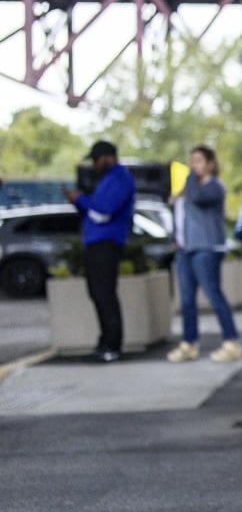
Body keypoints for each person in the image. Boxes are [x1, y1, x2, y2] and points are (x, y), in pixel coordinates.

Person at [167, 145, 242, 363]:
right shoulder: (188, 189)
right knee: (187, 300)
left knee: (214, 295)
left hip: (206, 248)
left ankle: (232, 341)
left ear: (210, 163)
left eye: (199, 160)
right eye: (192, 161)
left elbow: (199, 198)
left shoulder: (213, 187)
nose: (194, 165)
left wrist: (190, 178)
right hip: (185, 249)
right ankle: (189, 343)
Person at [63, 140, 135, 363]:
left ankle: (112, 346)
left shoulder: (119, 178)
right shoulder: (108, 179)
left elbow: (102, 213)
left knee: (105, 294)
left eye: (96, 159)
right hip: (96, 243)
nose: (94, 164)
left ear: (109, 157)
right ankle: (105, 342)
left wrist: (80, 199)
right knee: (97, 293)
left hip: (107, 243)